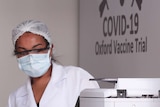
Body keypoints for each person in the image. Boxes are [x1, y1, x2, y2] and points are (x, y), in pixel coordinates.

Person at [7, 20, 99, 107]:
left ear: (50, 49)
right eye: (23, 52)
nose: (30, 57)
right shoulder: (15, 98)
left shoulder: (78, 78)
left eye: (37, 50)